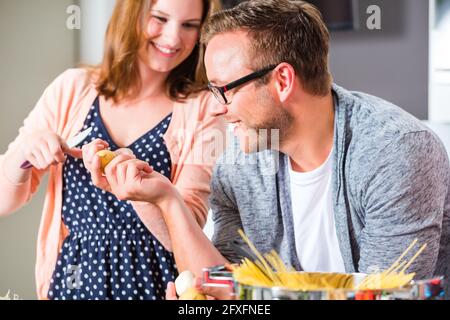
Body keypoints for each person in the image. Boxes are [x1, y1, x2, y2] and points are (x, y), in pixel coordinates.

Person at [95, 0, 450, 299]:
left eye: (224, 89)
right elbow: (230, 284)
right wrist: (166, 200)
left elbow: (385, 294)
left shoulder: (394, 152)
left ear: (282, 80)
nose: (217, 107)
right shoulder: (238, 160)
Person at [0, 0, 224, 300]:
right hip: (73, 282)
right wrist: (24, 153)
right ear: (131, 15)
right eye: (160, 18)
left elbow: (186, 232)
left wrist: (141, 192)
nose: (173, 38)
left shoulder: (205, 108)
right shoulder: (71, 89)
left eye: (189, 25)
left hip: (156, 284)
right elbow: (4, 201)